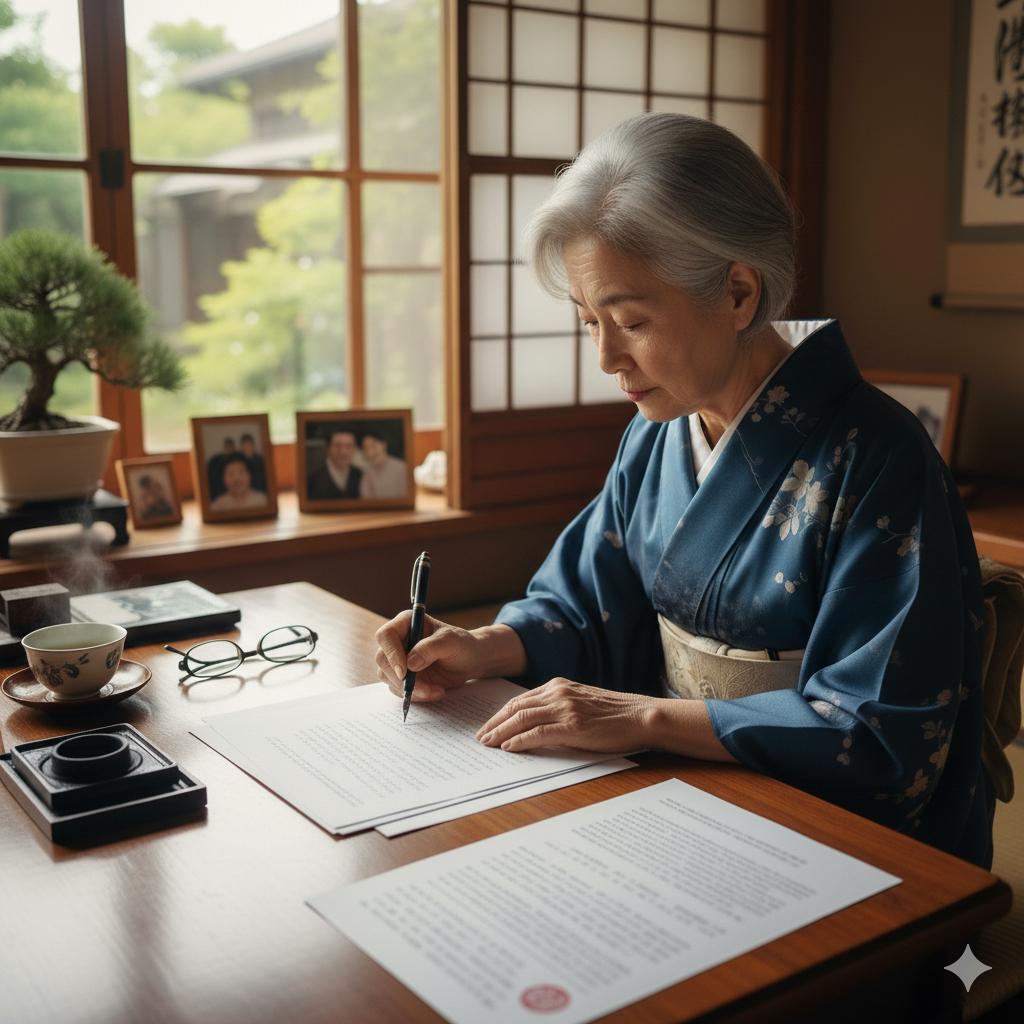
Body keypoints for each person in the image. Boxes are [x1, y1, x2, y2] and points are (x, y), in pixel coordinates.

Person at [374, 113, 994, 869]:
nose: (605, 356)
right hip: (680, 795)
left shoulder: (880, 459)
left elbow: (877, 737)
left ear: (738, 293)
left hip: (829, 839)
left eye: (630, 320)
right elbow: (585, 605)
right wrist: (482, 645)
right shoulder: (658, 431)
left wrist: (645, 717)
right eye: (586, 321)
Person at [307, 429, 363, 499]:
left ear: (354, 449)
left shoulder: (359, 475)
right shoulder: (313, 480)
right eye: (337, 446)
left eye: (348, 446)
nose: (343, 452)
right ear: (328, 449)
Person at [359, 431, 408, 499]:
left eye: (373, 445)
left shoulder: (401, 467)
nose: (370, 451)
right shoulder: (366, 471)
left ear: (384, 445)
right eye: (366, 448)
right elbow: (366, 498)